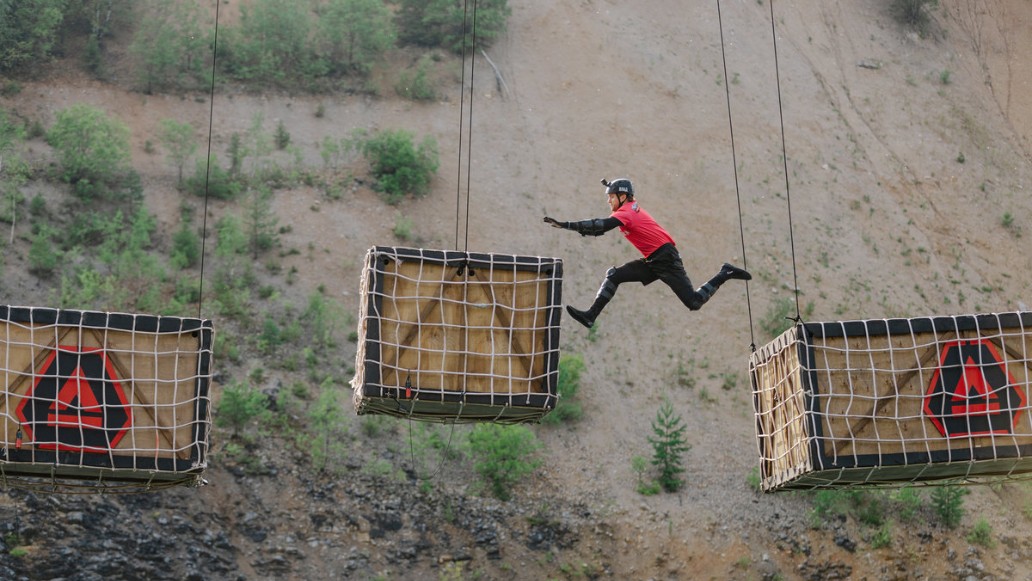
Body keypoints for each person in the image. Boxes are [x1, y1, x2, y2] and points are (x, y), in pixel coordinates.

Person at [543, 178, 751, 329]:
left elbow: (601, 226)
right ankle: (590, 316)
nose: (608, 201)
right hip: (653, 259)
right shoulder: (629, 208)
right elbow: (602, 224)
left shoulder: (625, 212)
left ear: (623, 197)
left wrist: (566, 225)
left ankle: (725, 273)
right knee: (614, 275)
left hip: (665, 257)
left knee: (694, 302)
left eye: (611, 197)